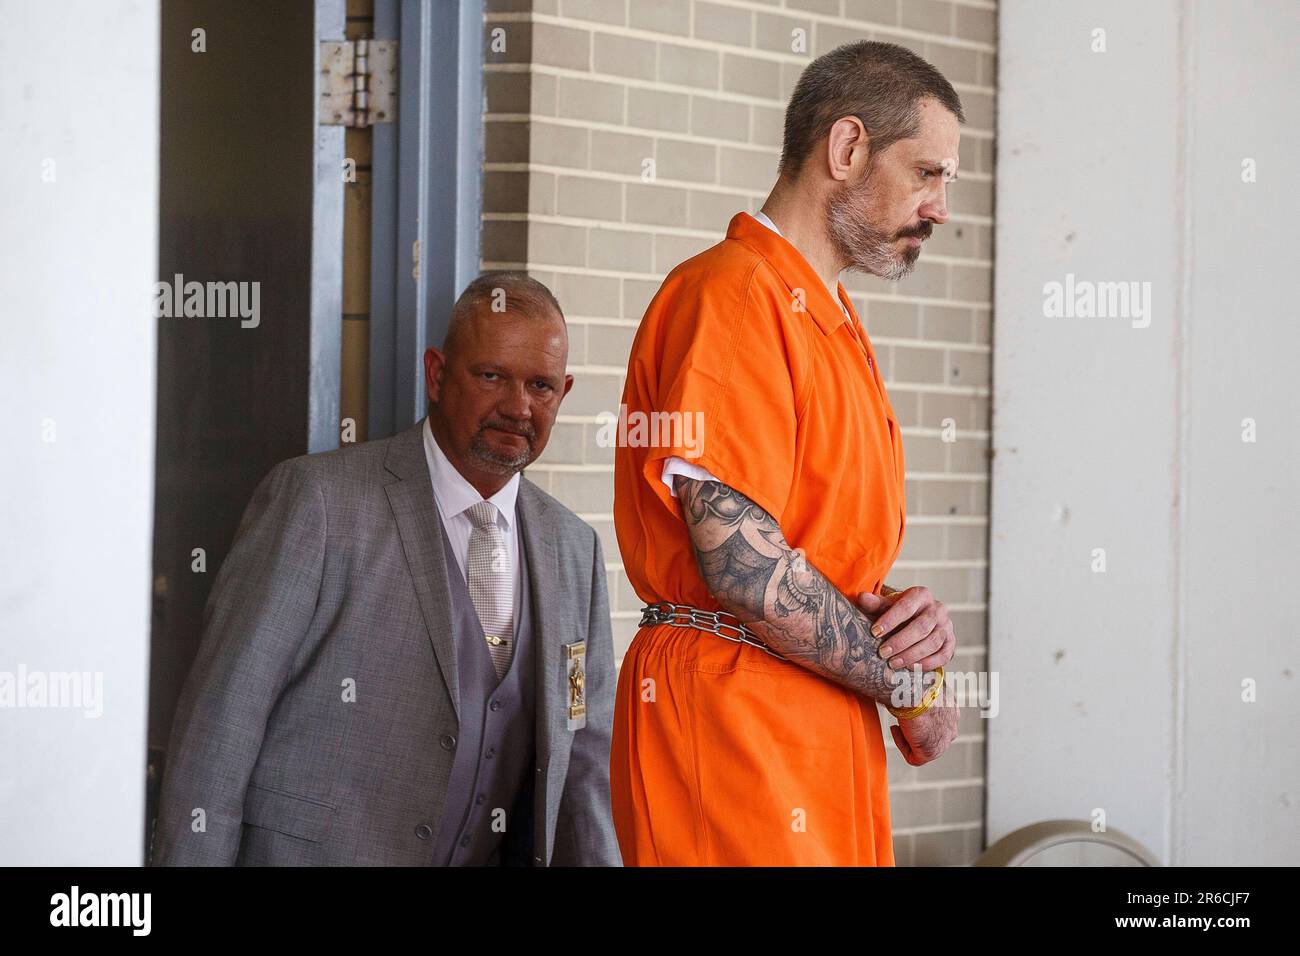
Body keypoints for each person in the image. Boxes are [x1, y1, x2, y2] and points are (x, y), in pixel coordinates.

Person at [610, 41, 964, 866]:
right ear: (846, 149)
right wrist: (914, 688)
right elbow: (747, 568)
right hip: (729, 729)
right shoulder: (733, 293)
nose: (941, 207)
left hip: (815, 736)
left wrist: (912, 627)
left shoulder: (834, 325)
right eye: (927, 173)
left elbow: (827, 562)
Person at [152, 272, 621, 866]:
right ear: (436, 374)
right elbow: (221, 722)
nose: (517, 406)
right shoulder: (317, 502)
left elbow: (585, 769)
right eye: (491, 375)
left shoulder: (573, 549)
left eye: (541, 386)